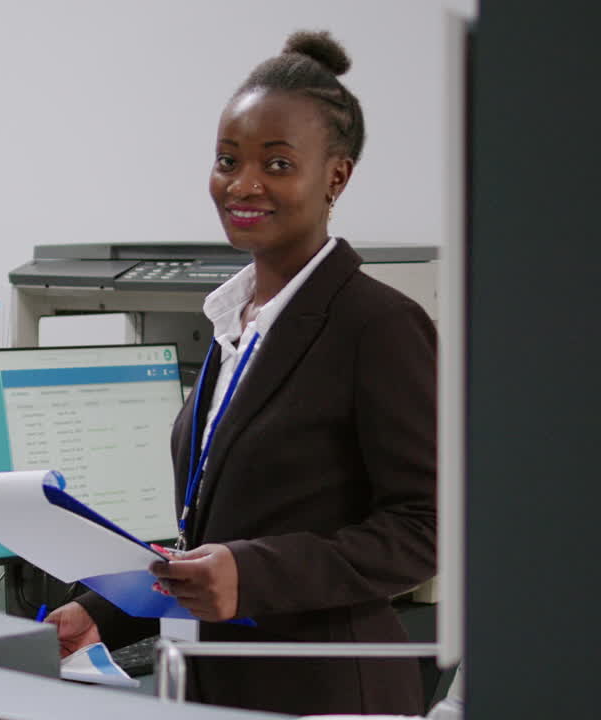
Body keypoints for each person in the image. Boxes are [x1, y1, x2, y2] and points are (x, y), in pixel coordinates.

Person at [46, 30, 437, 716]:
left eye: (277, 164)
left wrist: (251, 574)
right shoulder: (237, 323)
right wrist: (104, 613)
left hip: (328, 694)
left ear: (336, 177)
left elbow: (424, 529)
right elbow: (213, 534)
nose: (243, 184)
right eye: (228, 160)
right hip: (222, 687)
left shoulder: (377, 325)